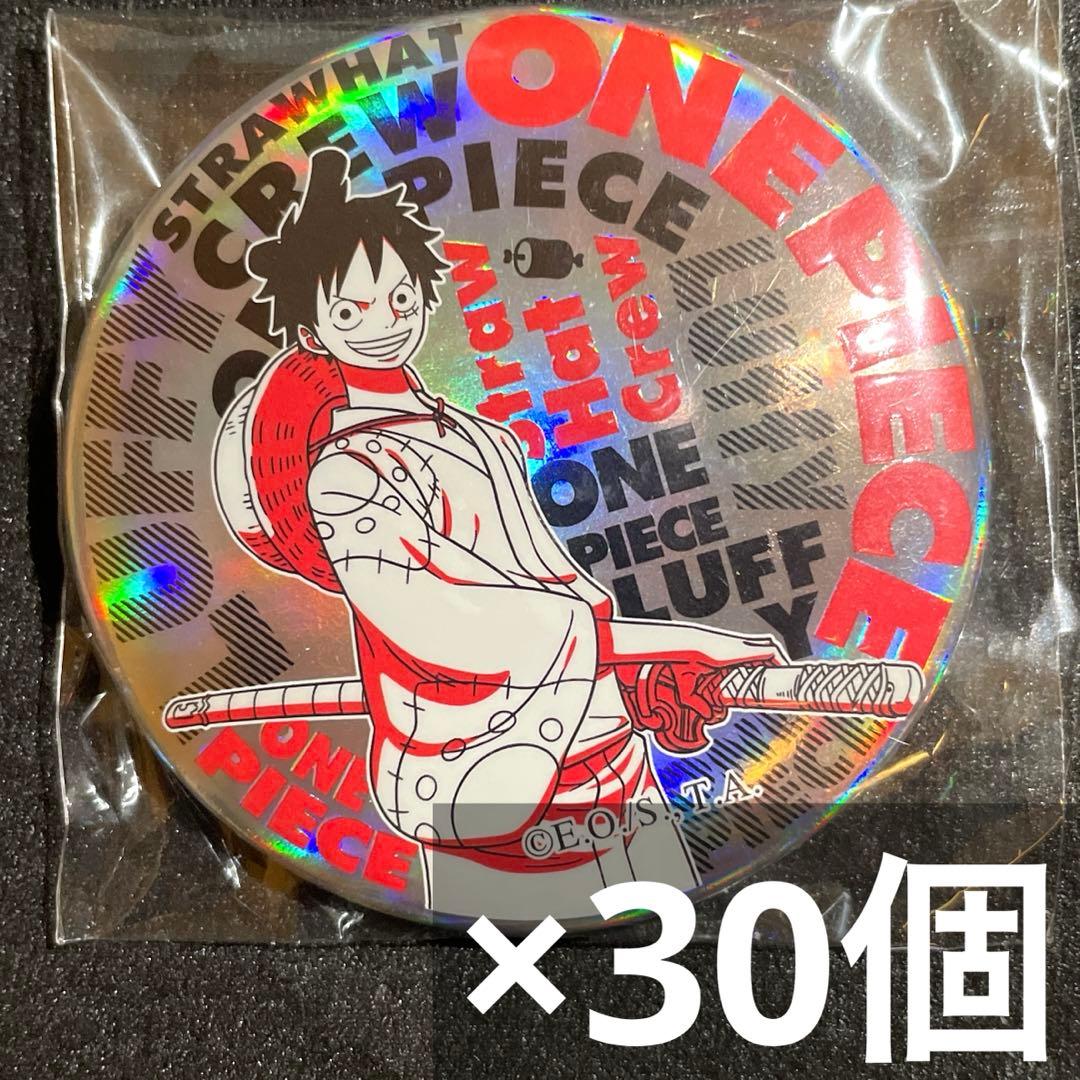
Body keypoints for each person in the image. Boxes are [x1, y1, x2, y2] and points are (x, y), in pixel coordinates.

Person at [214, 147, 787, 918]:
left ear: (424, 291)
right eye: (348, 312)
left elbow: (554, 592)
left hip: (613, 763)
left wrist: (638, 682)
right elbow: (451, 628)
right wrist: (677, 643)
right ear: (312, 331)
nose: (382, 323)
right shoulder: (345, 477)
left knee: (663, 932)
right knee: (513, 967)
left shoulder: (478, 436)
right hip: (486, 789)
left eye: (399, 297)